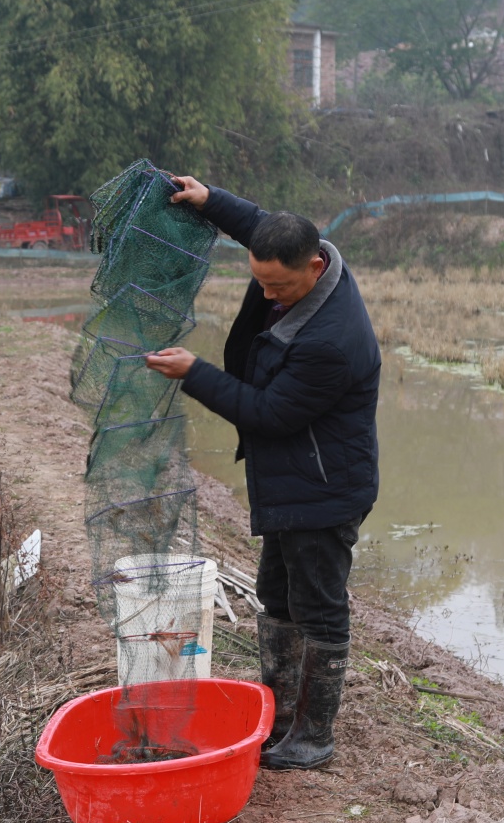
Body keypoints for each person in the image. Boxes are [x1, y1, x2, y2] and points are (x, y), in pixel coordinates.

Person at [145, 176, 380, 770]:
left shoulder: (331, 340)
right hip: (293, 478)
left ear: (314, 266)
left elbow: (269, 413)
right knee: (277, 596)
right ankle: (277, 715)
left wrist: (194, 372)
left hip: (323, 489)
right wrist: (209, 199)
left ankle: (315, 735)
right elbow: (259, 223)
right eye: (260, 281)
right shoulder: (298, 256)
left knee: (319, 607)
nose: (269, 295)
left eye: (278, 286)